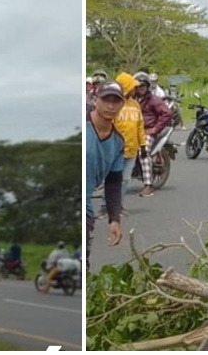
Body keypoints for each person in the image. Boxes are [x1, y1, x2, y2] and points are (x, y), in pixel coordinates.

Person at [86, 80, 126, 272]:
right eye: (106, 99)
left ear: (122, 105)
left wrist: (114, 220)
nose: (111, 105)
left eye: (116, 101)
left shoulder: (117, 142)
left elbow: (113, 184)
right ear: (95, 100)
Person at [98, 73, 149, 215]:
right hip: (115, 150)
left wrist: (143, 145)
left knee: (125, 180)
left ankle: (118, 206)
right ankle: (104, 206)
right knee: (111, 179)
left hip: (132, 150)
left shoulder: (135, 104)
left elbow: (139, 126)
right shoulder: (115, 105)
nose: (136, 89)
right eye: (133, 87)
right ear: (126, 88)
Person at [133, 71, 173, 197]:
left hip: (147, 131)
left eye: (143, 86)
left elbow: (167, 113)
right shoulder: (132, 99)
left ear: (147, 86)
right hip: (132, 131)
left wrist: (155, 129)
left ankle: (148, 185)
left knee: (142, 152)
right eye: (139, 86)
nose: (141, 88)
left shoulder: (154, 100)